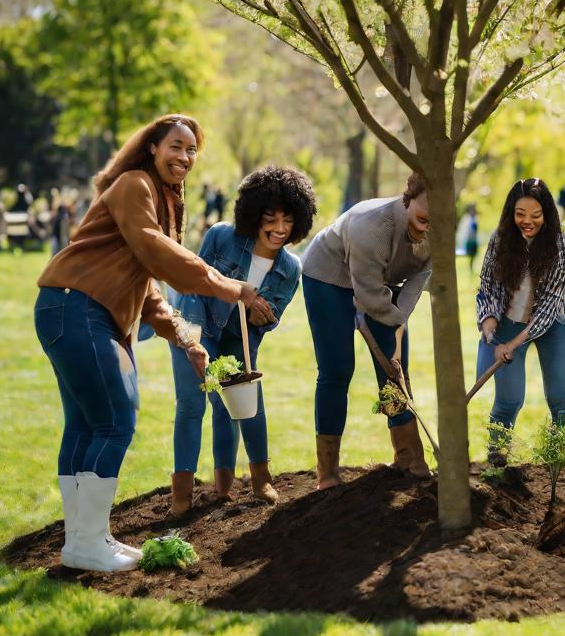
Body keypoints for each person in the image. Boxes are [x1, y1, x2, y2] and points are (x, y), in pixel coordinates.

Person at [34, 114, 259, 572]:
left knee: (85, 423)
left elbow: (148, 282)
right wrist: (225, 284)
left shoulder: (160, 199)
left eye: (192, 150)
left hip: (73, 308)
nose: (185, 157)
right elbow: (154, 249)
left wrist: (185, 338)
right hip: (78, 307)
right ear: (153, 148)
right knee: (117, 420)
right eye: (176, 146)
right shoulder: (135, 185)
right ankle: (86, 542)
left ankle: (84, 538)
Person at [168, 165, 317, 516]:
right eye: (271, 219)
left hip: (239, 336)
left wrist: (261, 318)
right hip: (195, 323)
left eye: (288, 221)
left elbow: (268, 320)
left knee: (242, 401)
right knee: (192, 404)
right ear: (254, 215)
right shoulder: (222, 236)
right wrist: (194, 341)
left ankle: (251, 480)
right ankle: (183, 493)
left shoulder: (291, 267)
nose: (279, 229)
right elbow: (193, 283)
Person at [301, 172, 432, 489]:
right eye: (423, 215)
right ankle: (328, 472)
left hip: (379, 284)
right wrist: (391, 315)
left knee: (395, 369)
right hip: (328, 278)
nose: (430, 223)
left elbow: (423, 274)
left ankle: (409, 458)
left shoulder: (441, 226)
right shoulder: (371, 226)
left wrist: (400, 319)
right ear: (407, 199)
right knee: (337, 368)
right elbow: (371, 298)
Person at [475, 178, 565, 457]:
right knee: (508, 400)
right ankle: (496, 462)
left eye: (536, 216)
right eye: (520, 214)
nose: (527, 221)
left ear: (548, 215)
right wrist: (490, 325)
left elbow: (547, 309)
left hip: (557, 323)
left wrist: (513, 345)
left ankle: (564, 464)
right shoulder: (500, 240)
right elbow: (488, 285)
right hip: (509, 320)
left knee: (560, 399)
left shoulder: (563, 247)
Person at [464, 204, 480, 273]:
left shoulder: (475, 218)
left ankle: (471, 267)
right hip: (470, 239)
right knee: (471, 254)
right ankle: (470, 267)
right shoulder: (468, 219)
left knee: (474, 254)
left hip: (474, 239)